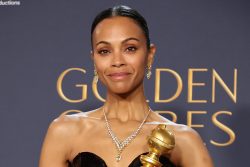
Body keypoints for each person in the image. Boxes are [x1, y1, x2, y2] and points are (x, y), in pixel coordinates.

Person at [39, 5, 214, 167]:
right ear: (94, 59)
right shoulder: (63, 131)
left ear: (150, 55)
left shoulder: (184, 140)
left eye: (130, 48)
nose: (117, 61)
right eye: (104, 51)